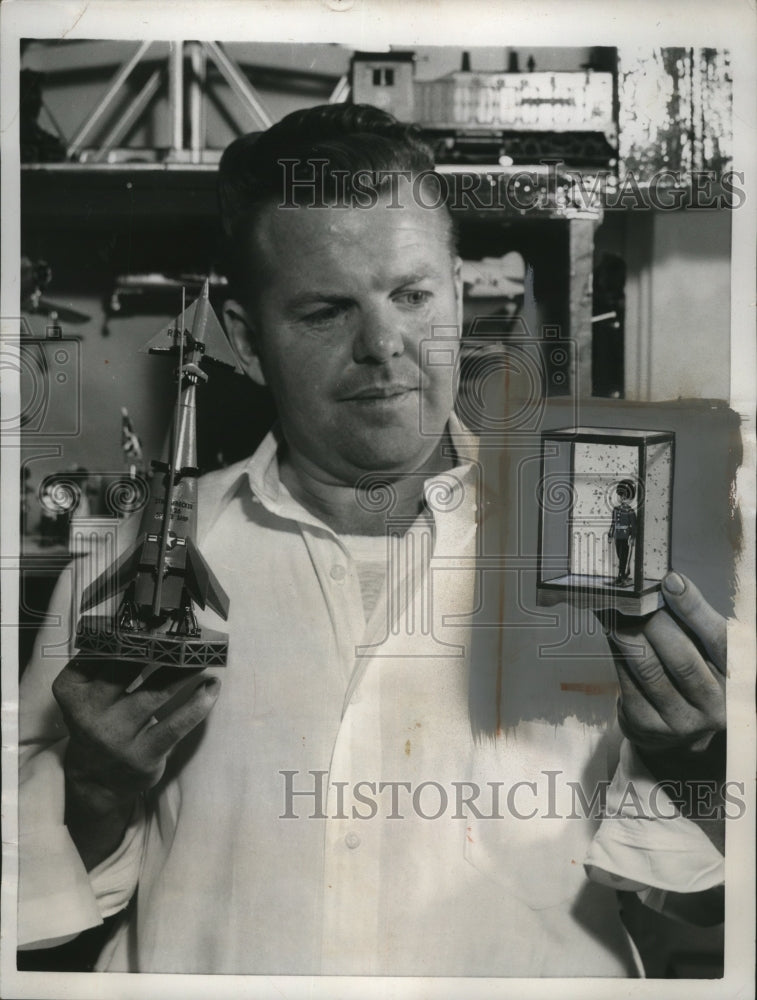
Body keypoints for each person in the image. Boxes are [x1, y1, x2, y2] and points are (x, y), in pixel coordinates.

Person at [18, 104, 727, 976]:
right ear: (244, 338)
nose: (384, 345)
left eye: (412, 295)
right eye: (324, 310)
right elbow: (26, 915)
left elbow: (704, 904)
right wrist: (95, 789)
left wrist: (694, 756)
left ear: (461, 296)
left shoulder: (607, 544)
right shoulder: (129, 560)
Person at [609, 479, 638, 585]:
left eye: (625, 496)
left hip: (626, 537)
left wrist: (633, 537)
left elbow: (634, 526)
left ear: (629, 498)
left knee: (624, 558)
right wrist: (610, 534)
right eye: (621, 495)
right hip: (618, 536)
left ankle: (622, 576)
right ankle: (622, 576)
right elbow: (613, 523)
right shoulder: (616, 509)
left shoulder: (630, 511)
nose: (623, 498)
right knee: (619, 556)